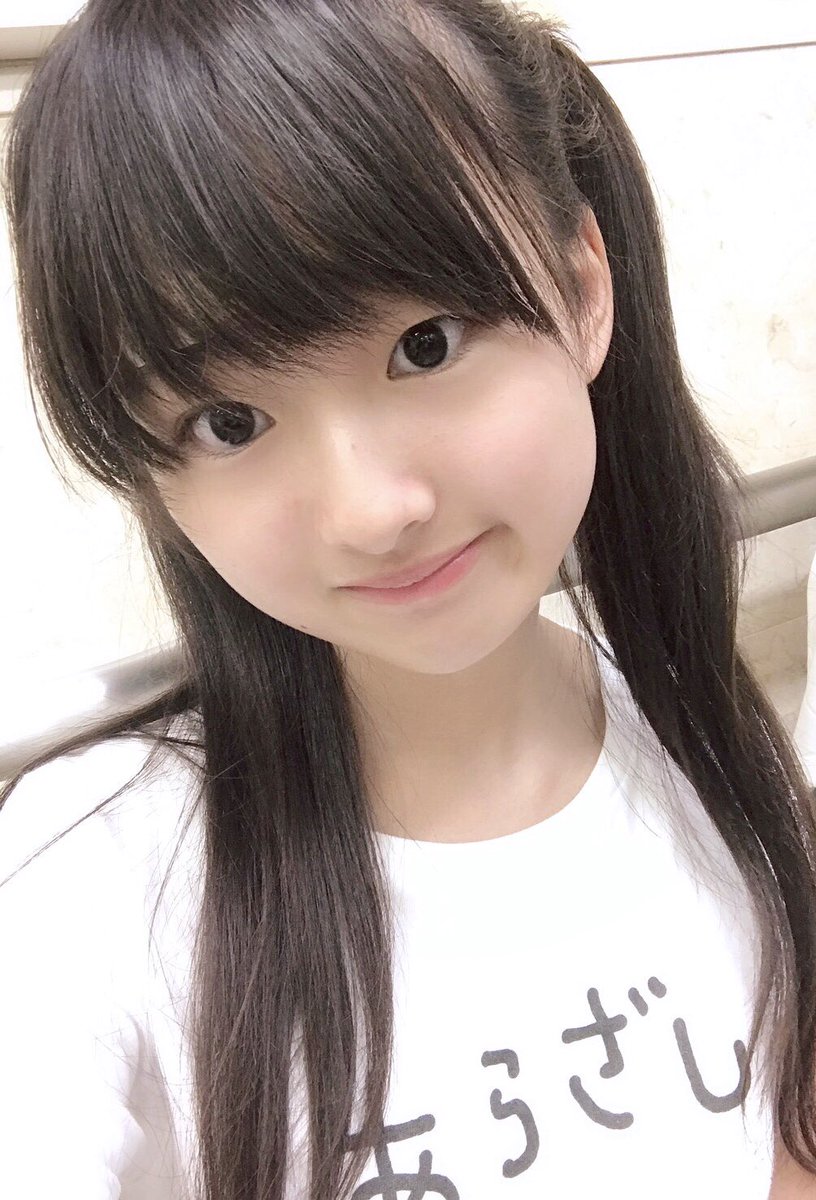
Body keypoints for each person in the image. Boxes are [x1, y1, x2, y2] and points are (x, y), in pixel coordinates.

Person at [0, 1, 814, 1197]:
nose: (369, 510)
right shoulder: (91, 877)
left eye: (425, 343)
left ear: (582, 285)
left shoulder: (705, 732)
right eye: (230, 422)